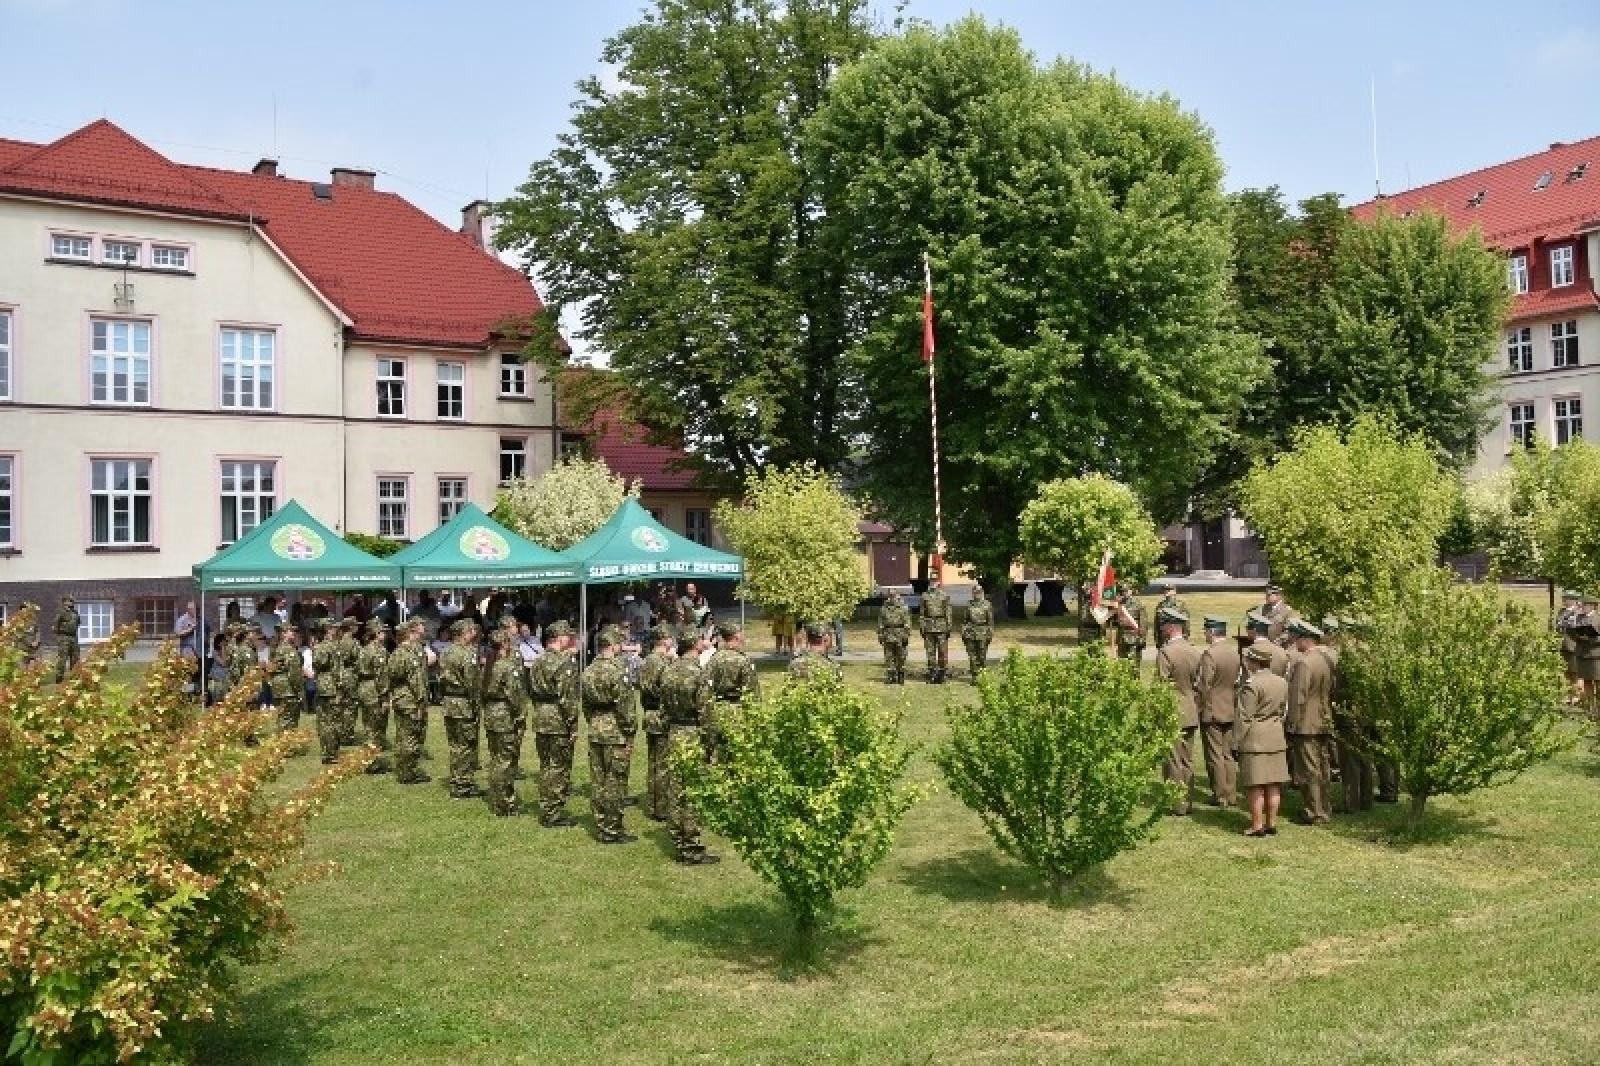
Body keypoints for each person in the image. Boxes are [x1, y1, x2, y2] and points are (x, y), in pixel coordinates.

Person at [661, 630, 719, 865]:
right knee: (693, 791)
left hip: (674, 731)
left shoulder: (669, 670)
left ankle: (677, 837)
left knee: (676, 788)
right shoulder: (698, 674)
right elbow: (705, 712)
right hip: (693, 733)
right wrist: (710, 741)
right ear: (695, 644)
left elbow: (663, 706)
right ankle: (691, 845)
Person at [583, 628, 637, 843]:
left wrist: (594, 720)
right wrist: (630, 731)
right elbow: (626, 706)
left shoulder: (588, 670)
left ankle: (600, 822)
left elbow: (585, 705)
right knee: (615, 779)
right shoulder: (617, 671)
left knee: (598, 779)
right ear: (613, 646)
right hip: (615, 730)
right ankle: (612, 827)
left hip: (596, 728)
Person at [1233, 641, 1290, 837]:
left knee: (1256, 785)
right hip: (1275, 737)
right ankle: (1271, 823)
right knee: (1273, 784)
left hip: (1255, 740)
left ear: (1254, 662)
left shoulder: (1252, 685)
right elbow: (1283, 710)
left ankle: (1257, 825)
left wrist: (1235, 741)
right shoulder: (1281, 682)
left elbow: (1244, 717)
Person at [529, 620, 582, 827]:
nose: (570, 638)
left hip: (541, 716)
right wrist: (573, 725)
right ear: (557, 638)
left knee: (546, 766)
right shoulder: (564, 662)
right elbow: (567, 699)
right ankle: (553, 813)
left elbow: (532, 691)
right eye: (567, 635)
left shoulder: (538, 661)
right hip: (558, 719)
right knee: (559, 767)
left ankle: (547, 807)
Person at [1285, 619, 1334, 825]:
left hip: (1306, 723)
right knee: (1322, 766)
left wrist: (1291, 725)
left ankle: (1314, 811)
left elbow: (1298, 698)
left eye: (1297, 638)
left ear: (1306, 639)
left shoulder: (1304, 663)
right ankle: (1324, 806)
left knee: (1309, 769)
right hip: (1323, 718)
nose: (1295, 642)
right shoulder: (1325, 659)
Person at [1156, 608, 1201, 816]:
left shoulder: (1166, 652)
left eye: (1164, 624)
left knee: (1173, 759)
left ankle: (1177, 803)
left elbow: (1160, 685)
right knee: (1186, 759)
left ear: (1171, 627)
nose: (1162, 627)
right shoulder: (1194, 651)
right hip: (1191, 709)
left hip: (1172, 709)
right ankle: (1187, 800)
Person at [481, 626, 530, 817]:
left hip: (492, 714)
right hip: (504, 715)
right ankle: (504, 803)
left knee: (496, 758)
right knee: (505, 760)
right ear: (504, 644)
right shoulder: (505, 666)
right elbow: (514, 694)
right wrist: (520, 716)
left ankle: (496, 798)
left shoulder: (489, 665)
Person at [438, 618, 485, 799]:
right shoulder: (468, 654)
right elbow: (472, 683)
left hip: (450, 703)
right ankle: (463, 784)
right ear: (462, 633)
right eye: (470, 630)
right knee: (465, 745)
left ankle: (457, 780)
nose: (473, 633)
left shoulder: (447, 651)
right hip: (464, 704)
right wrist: (476, 704)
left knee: (456, 744)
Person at [1196, 615, 1240, 808]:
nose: (1205, 634)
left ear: (1212, 632)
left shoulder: (1210, 654)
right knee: (1228, 754)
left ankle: (1220, 794)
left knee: (1215, 754)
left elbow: (1205, 685)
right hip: (1230, 707)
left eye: (1206, 631)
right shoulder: (1234, 653)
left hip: (1212, 710)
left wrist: (1202, 708)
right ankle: (1230, 793)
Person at [638, 625, 677, 822]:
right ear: (663, 640)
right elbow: (665, 689)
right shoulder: (660, 662)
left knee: (654, 761)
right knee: (662, 764)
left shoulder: (647, 661)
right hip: (661, 715)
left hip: (650, 714)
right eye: (670, 637)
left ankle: (654, 803)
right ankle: (661, 807)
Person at [704, 622, 759, 758]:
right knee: (737, 754)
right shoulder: (743, 660)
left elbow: (706, 686)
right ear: (736, 636)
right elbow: (752, 691)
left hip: (718, 709)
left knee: (720, 752)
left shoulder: (713, 659)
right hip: (737, 712)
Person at [389, 619, 433, 785]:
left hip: (409, 699)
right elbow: (412, 680)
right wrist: (420, 701)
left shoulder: (413, 650)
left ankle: (408, 769)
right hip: (409, 700)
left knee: (411, 736)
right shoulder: (403, 652)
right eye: (421, 625)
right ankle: (407, 773)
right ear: (411, 631)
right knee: (409, 737)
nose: (424, 628)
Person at [356, 619, 392, 774]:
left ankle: (370, 759)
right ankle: (372, 762)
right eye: (382, 631)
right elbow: (381, 675)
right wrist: (384, 697)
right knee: (375, 728)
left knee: (369, 725)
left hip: (364, 689)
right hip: (374, 691)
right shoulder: (379, 651)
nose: (385, 634)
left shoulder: (364, 649)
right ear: (376, 634)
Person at [308, 621, 343, 764]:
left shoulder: (319, 647)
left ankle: (328, 752)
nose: (335, 630)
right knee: (332, 721)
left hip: (323, 685)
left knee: (324, 721)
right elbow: (335, 670)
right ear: (327, 630)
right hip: (331, 687)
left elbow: (317, 665)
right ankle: (331, 753)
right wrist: (339, 686)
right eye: (333, 627)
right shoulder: (331, 646)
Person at [268, 627, 305, 733]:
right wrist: (299, 690)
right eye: (291, 631)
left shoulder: (278, 648)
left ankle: (282, 742)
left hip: (280, 687)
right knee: (289, 718)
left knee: (283, 716)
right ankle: (286, 744)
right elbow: (294, 673)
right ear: (284, 634)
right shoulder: (288, 649)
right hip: (288, 688)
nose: (293, 633)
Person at [918, 575, 953, 683]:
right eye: (931, 580)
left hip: (941, 626)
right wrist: (922, 627)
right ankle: (932, 673)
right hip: (928, 627)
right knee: (930, 652)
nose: (933, 582)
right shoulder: (924, 596)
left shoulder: (944, 595)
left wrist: (949, 627)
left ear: (938, 582)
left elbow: (948, 612)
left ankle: (942, 673)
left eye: (935, 580)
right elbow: (922, 613)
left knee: (942, 652)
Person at [877, 589, 911, 685]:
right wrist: (880, 635)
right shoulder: (884, 608)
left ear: (897, 595)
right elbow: (880, 623)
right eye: (890, 595)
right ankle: (891, 676)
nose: (892, 597)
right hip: (888, 634)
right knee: (889, 656)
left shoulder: (903, 607)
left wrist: (906, 635)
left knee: (901, 656)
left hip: (900, 634)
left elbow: (907, 623)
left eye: (893, 595)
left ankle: (900, 674)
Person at [961, 586, 995, 680]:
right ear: (972, 593)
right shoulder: (969, 604)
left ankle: (983, 676)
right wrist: (964, 632)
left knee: (982, 656)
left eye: (979, 592)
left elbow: (990, 622)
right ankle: (975, 677)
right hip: (970, 632)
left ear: (982, 592)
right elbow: (965, 620)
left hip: (983, 632)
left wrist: (990, 634)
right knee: (972, 656)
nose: (977, 594)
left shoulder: (987, 605)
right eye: (975, 592)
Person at [1556, 589, 1583, 705]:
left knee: (1576, 673)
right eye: (1564, 598)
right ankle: (1568, 695)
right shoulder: (1562, 611)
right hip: (1563, 645)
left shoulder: (1579, 613)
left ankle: (1577, 696)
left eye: (1567, 598)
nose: (1565, 600)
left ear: (1574, 600)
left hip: (1574, 646)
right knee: (1566, 672)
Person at [1243, 612, 1289, 678]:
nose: (1246, 631)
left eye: (1248, 628)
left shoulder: (1247, 652)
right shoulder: (1282, 652)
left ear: (1254, 630)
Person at [1109, 588, 1145, 670]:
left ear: (1131, 591)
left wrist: (1142, 639)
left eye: (1126, 590)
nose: (1124, 593)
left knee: (1134, 665)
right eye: (1123, 591)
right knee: (1122, 664)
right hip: (1122, 639)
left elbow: (1143, 623)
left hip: (1134, 639)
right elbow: (1115, 621)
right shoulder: (1119, 604)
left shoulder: (1138, 604)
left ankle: (1135, 681)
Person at [52, 596, 80, 682]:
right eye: (69, 601)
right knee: (62, 659)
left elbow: (77, 624)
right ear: (64, 602)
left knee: (75, 657)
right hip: (64, 637)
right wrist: (59, 638)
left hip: (74, 637)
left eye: (72, 601)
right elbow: (55, 626)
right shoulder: (60, 612)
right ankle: (59, 678)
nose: (71, 603)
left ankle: (74, 677)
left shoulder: (75, 613)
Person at [1153, 583, 1189, 647]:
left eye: (1169, 590)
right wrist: (1157, 640)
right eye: (1165, 590)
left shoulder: (1180, 605)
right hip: (1163, 639)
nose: (1166, 592)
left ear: (1174, 591)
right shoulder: (1160, 605)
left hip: (1176, 638)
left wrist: (1185, 638)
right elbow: (1157, 624)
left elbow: (1185, 624)